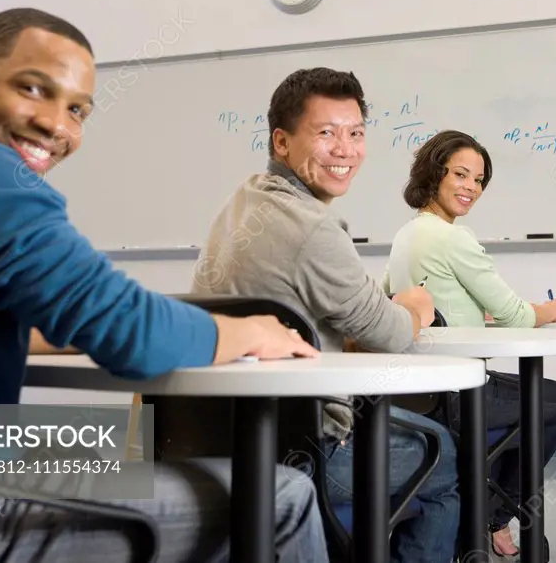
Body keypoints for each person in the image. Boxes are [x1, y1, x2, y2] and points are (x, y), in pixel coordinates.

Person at [0, 8, 328, 563]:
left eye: (77, 109)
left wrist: (76, 327)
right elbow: (130, 332)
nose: (58, 125)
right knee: (282, 493)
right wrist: (245, 331)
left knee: (112, 444)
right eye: (34, 89)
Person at [190, 67, 460, 563]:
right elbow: (392, 336)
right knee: (443, 453)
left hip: (208, 435)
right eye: (325, 133)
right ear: (282, 142)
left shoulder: (241, 202)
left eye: (355, 133)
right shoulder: (313, 227)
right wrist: (417, 306)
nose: (345, 149)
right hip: (305, 447)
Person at [383, 129, 556, 558]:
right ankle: (492, 516)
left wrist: (475, 312)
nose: (471, 187)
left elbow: (398, 301)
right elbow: (517, 315)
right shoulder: (455, 237)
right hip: (455, 392)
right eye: (461, 174)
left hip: (413, 391)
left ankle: (484, 509)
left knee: (528, 401)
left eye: (479, 179)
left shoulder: (406, 235)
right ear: (435, 173)